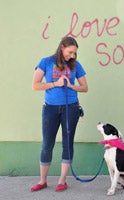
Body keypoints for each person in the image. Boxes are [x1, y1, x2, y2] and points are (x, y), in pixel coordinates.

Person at [31, 36, 88, 192]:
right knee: (47, 144)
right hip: (50, 108)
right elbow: (35, 85)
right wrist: (55, 83)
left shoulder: (76, 65)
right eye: (70, 52)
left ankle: (62, 181)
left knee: (67, 144)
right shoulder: (46, 62)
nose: (72, 56)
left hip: (71, 108)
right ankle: (42, 181)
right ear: (62, 47)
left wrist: (71, 85)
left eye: (74, 53)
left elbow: (84, 87)